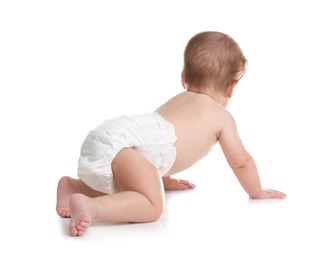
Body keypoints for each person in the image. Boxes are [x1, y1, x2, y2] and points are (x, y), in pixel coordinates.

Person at [56, 31, 286, 237]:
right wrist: (258, 191)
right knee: (152, 204)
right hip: (128, 150)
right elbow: (241, 162)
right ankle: (92, 206)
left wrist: (161, 178)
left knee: (122, 185)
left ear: (184, 77)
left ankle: (75, 186)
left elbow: (152, 141)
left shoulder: (177, 101)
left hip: (114, 134)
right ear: (231, 88)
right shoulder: (221, 116)